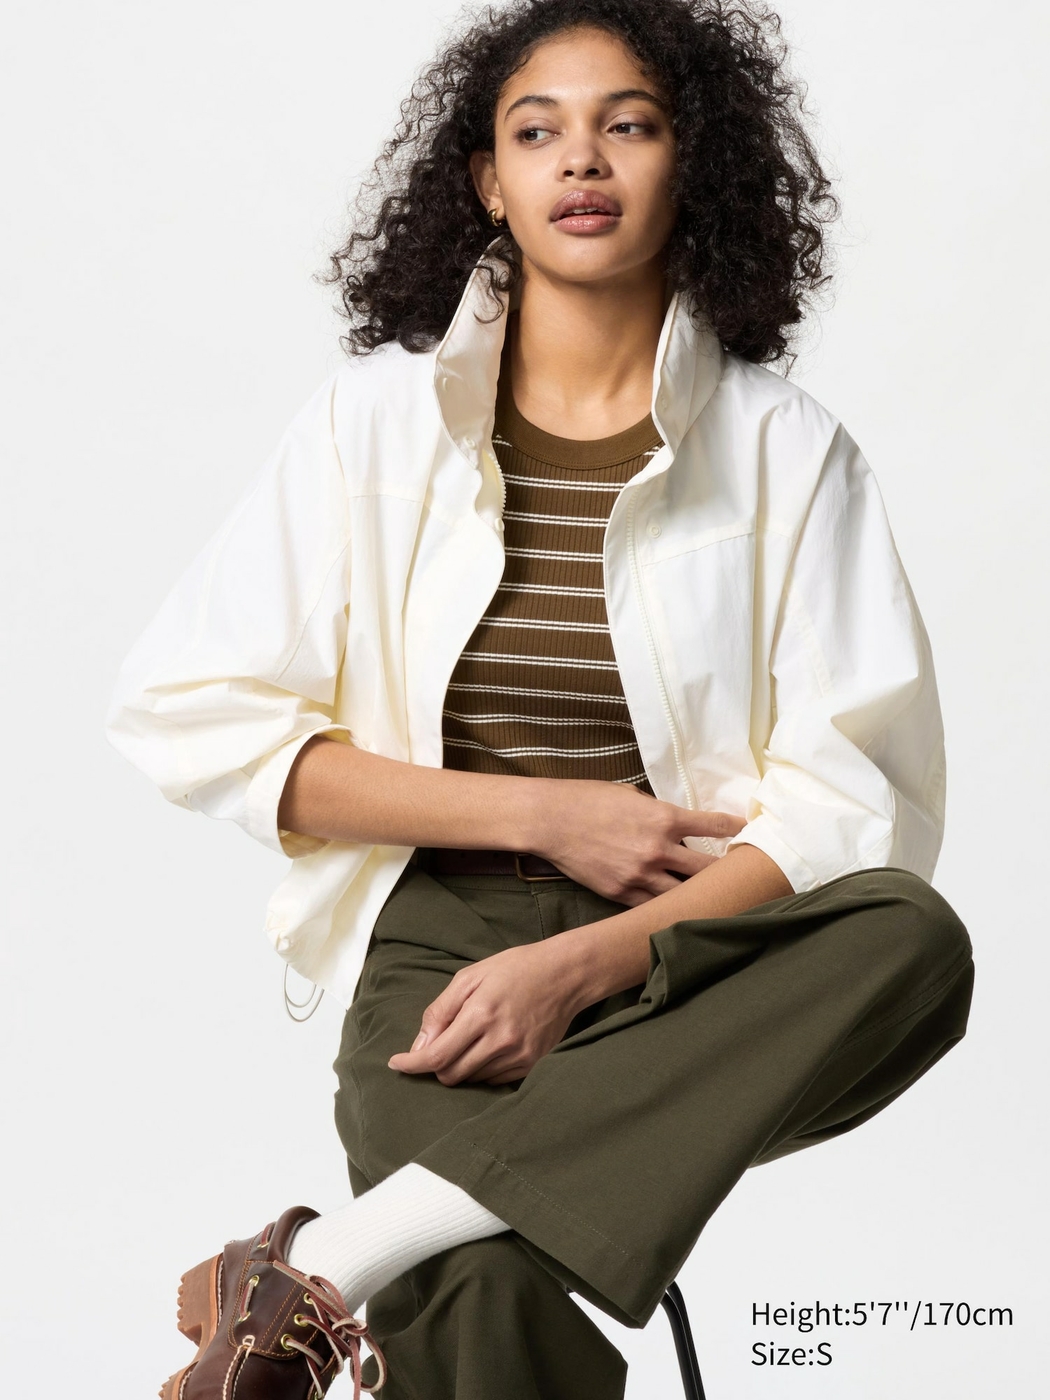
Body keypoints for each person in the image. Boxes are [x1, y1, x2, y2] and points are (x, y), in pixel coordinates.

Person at [104, 2, 975, 1397]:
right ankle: (393, 1253)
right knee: (479, 1287)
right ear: (487, 183)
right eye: (537, 131)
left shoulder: (787, 451)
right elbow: (188, 712)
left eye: (629, 125)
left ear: (692, 169)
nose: (582, 159)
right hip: (439, 942)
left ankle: (320, 1265)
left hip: (690, 949)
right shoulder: (371, 427)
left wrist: (588, 963)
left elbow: (852, 799)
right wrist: (542, 815)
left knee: (912, 939)